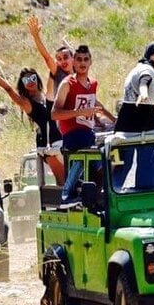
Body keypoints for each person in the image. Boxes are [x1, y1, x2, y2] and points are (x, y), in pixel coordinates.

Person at [0, 58, 66, 185]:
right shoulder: (27, 102)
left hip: (62, 139)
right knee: (62, 181)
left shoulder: (47, 95)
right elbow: (9, 89)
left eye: (32, 78)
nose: (30, 82)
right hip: (48, 145)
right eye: (26, 80)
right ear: (23, 84)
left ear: (37, 78)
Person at [52, 45, 112, 202]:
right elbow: (54, 114)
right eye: (78, 59)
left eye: (86, 59)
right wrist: (79, 112)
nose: (82, 63)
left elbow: (95, 103)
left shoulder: (92, 83)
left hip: (88, 134)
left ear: (91, 61)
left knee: (104, 164)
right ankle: (66, 191)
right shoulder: (67, 84)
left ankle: (95, 198)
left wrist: (113, 119)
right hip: (72, 135)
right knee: (87, 153)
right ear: (73, 62)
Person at [115, 42, 154, 133]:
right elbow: (144, 81)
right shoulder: (147, 69)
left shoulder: (140, 67)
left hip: (132, 117)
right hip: (137, 120)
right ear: (149, 54)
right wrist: (143, 94)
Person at [27, 15, 74, 108]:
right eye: (59, 59)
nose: (63, 61)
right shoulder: (59, 72)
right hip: (52, 107)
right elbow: (47, 57)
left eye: (65, 57)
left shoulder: (77, 69)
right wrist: (36, 37)